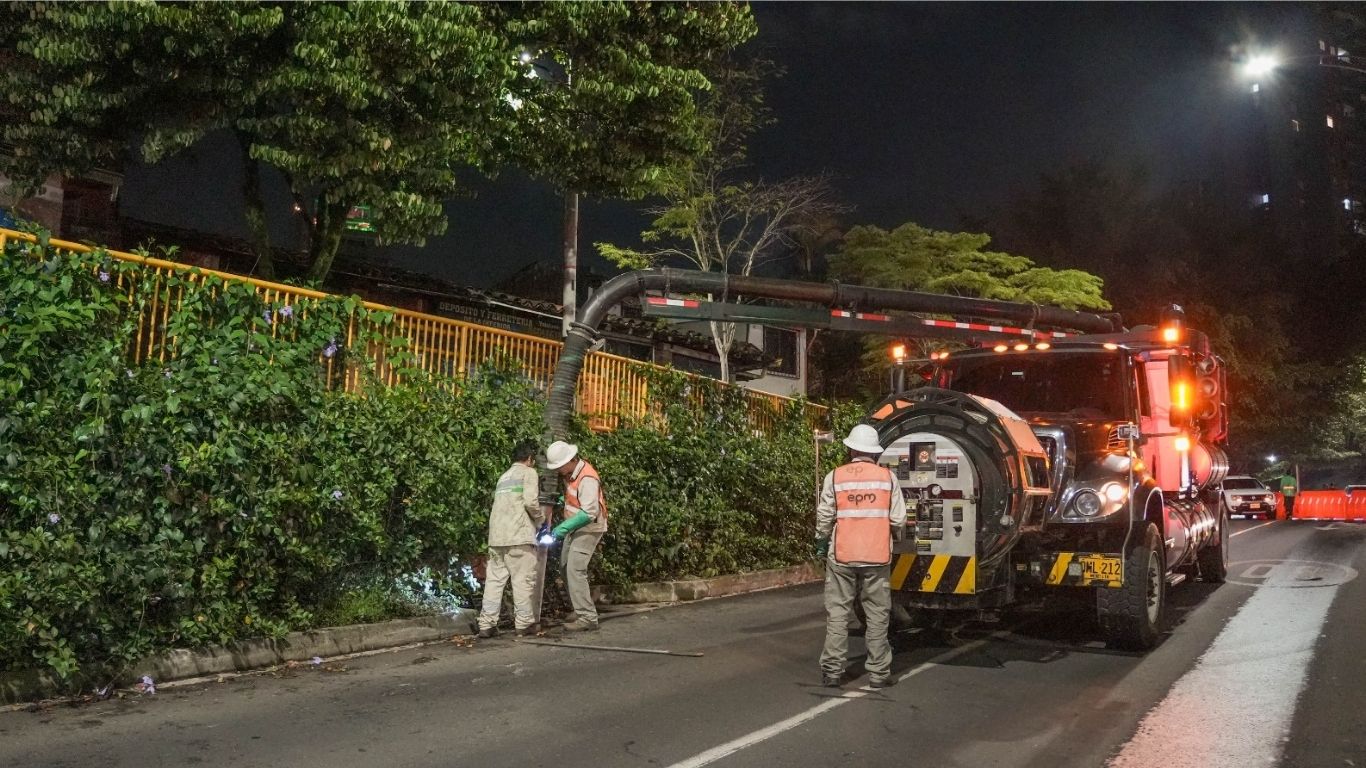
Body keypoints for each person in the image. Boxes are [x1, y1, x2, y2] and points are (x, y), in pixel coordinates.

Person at [815, 423, 906, 689]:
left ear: (851, 449)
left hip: (842, 557)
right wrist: (891, 540)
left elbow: (824, 516)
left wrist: (821, 541)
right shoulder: (888, 479)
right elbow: (899, 519)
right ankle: (878, 674)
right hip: (877, 558)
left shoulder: (835, 477)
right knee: (878, 614)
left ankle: (832, 671)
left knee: (838, 613)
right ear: (874, 453)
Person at [477, 441, 545, 639]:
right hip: (519, 537)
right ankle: (524, 624)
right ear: (530, 459)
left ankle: (486, 624)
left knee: (494, 582)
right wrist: (540, 521)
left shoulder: (503, 477)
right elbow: (531, 502)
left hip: (497, 538)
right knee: (522, 580)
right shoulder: (528, 473)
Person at [546, 440, 607, 632]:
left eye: (559, 466)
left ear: (570, 460)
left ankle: (587, 617)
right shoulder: (573, 474)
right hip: (576, 527)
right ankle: (580, 610)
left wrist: (561, 529)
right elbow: (576, 499)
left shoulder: (587, 477)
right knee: (565, 567)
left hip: (589, 528)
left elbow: (589, 511)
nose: (558, 470)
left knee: (575, 570)